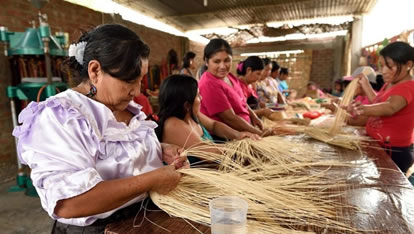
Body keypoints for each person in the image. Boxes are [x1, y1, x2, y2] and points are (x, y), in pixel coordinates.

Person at [12, 24, 189, 233]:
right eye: (129, 81)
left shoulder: (125, 108)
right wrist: (153, 180)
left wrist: (157, 148)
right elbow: (69, 203)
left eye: (140, 79)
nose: (137, 90)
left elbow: (114, 154)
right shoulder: (61, 117)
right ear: (95, 70)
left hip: (143, 219)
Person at [346, 41, 414, 173]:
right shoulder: (390, 84)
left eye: (389, 66)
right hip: (379, 145)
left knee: (389, 189)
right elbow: (377, 101)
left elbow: (390, 107)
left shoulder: (409, 87)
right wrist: (366, 85)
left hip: (394, 151)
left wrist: (362, 109)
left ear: (408, 65)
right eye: (382, 66)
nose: (383, 71)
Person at [156, 75, 260, 155]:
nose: (201, 98)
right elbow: (207, 152)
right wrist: (242, 149)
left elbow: (214, 125)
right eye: (197, 95)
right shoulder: (173, 124)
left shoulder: (192, 116)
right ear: (187, 105)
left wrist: (238, 135)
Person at [198, 38, 269, 136]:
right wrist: (258, 133)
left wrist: (254, 117)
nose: (222, 66)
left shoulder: (229, 77)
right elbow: (230, 118)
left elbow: (242, 102)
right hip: (228, 139)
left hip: (246, 132)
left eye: (227, 60)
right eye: (216, 61)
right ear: (207, 61)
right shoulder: (208, 83)